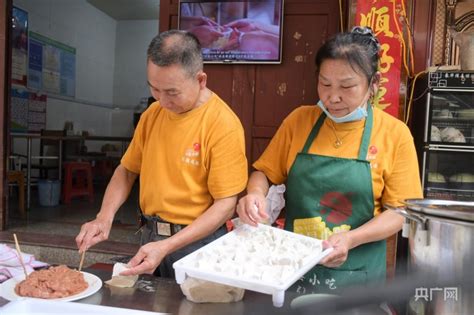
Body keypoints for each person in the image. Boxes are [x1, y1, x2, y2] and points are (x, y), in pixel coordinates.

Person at [236, 26, 423, 294]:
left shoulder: (394, 134)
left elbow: (398, 212)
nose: (333, 97)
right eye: (325, 84)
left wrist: (351, 239)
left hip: (358, 277)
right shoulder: (299, 120)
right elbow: (264, 173)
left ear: (374, 84)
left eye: (347, 86)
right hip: (292, 269)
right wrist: (254, 194)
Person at [76, 30, 248, 278]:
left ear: (201, 80)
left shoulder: (222, 124)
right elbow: (127, 170)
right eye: (154, 89)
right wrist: (104, 217)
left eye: (172, 92)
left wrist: (167, 246)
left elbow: (225, 205)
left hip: (198, 244)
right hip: (151, 236)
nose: (162, 100)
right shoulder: (152, 114)